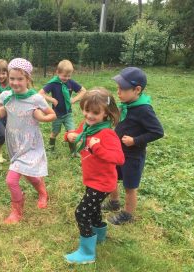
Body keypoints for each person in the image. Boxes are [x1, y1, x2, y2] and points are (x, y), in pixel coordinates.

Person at [64, 88, 124, 264]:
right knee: (95, 208)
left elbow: (119, 158)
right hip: (92, 179)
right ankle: (99, 236)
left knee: (82, 213)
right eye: (86, 110)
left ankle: (87, 252)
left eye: (95, 112)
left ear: (106, 113)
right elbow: (77, 134)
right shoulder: (87, 126)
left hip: (102, 182)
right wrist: (70, 136)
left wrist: (97, 148)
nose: (89, 115)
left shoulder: (107, 134)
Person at [0, 58, 56, 224]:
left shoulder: (35, 98)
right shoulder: (5, 95)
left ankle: (17, 211)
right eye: (12, 78)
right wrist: (2, 109)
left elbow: (52, 114)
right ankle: (43, 192)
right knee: (30, 176)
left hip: (30, 144)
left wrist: (41, 117)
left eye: (20, 79)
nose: (15, 83)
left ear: (28, 79)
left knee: (11, 180)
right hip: (14, 143)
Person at [103, 67, 164, 225]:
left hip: (133, 156)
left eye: (122, 89)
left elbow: (158, 132)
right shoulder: (127, 103)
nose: (118, 92)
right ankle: (114, 202)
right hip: (118, 153)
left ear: (137, 90)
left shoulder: (144, 109)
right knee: (112, 177)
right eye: (117, 88)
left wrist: (135, 140)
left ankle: (127, 215)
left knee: (130, 186)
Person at [38, 59, 86, 156]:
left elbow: (83, 91)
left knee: (72, 132)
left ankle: (73, 151)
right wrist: (51, 99)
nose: (66, 78)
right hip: (56, 114)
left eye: (69, 76)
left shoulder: (71, 82)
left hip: (68, 113)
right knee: (55, 132)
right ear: (57, 72)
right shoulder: (53, 83)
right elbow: (40, 93)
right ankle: (51, 150)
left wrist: (74, 99)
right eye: (64, 76)